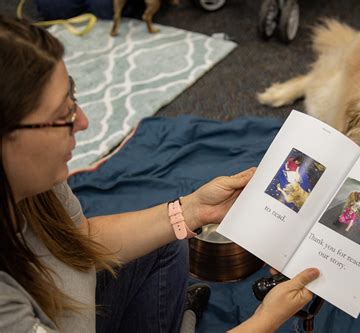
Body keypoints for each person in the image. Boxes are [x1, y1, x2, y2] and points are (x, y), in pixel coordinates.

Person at [0, 14, 320, 333]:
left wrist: (193, 210)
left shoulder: (36, 182)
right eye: (63, 115)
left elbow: (78, 238)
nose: (82, 121)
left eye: (74, 98)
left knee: (168, 238)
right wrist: (266, 320)